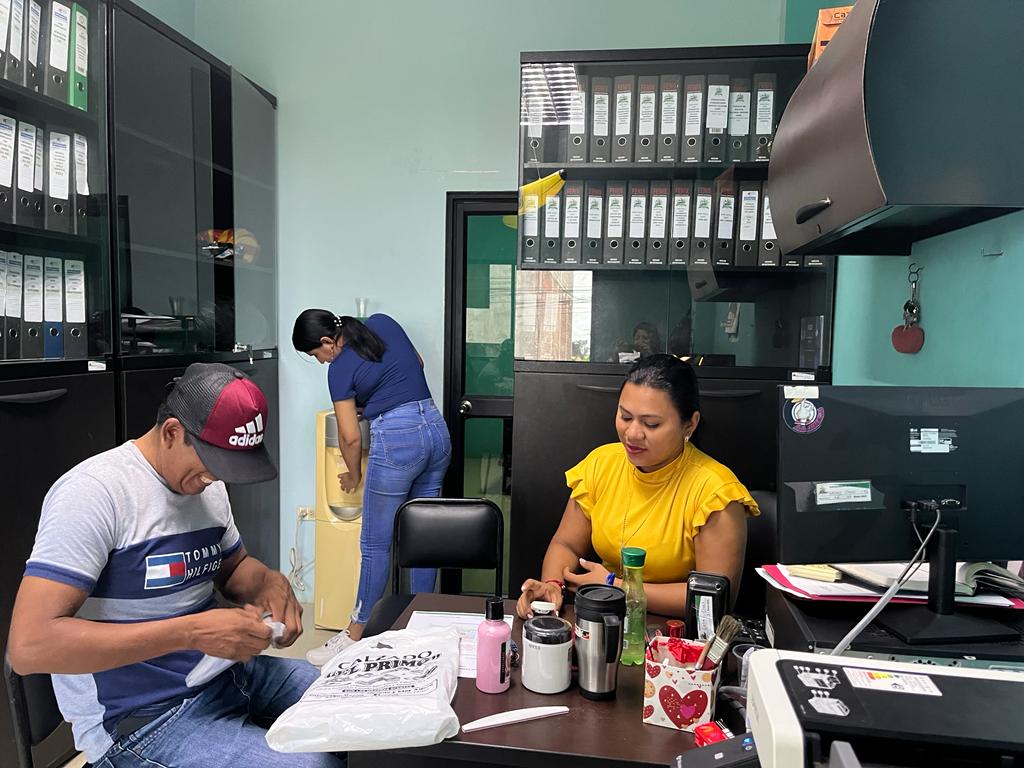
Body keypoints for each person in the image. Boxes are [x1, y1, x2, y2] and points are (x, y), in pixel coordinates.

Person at [7, 363, 342, 768]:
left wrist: (269, 583)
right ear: (171, 432)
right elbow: (29, 646)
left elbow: (234, 568)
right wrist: (191, 633)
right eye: (211, 462)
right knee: (316, 765)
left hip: (227, 675)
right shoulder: (94, 494)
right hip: (143, 720)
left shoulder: (207, 486)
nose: (214, 478)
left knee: (357, 709)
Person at [516, 354, 759, 619]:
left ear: (690, 423)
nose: (632, 434)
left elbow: (712, 599)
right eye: (625, 417)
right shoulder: (601, 464)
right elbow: (566, 545)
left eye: (651, 424)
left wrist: (615, 586)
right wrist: (553, 585)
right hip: (605, 619)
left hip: (673, 631)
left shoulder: (715, 492)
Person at [293, 310, 451, 664]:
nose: (321, 362)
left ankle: (353, 635)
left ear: (327, 342)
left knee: (375, 544)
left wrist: (353, 475)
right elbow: (417, 363)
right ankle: (421, 630)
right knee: (424, 537)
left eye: (316, 355)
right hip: (436, 430)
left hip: (399, 441)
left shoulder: (339, 369)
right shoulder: (382, 322)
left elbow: (350, 437)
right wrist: (377, 399)